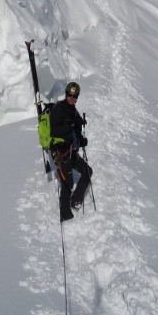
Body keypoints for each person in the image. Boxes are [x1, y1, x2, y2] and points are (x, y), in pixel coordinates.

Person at [49, 80, 92, 222]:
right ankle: (65, 215)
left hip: (71, 152)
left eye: (75, 96)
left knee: (87, 171)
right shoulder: (58, 109)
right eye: (70, 95)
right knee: (68, 183)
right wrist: (71, 126)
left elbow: (77, 130)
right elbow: (55, 130)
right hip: (61, 153)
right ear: (66, 94)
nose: (72, 98)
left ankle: (75, 201)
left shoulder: (73, 111)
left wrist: (81, 139)